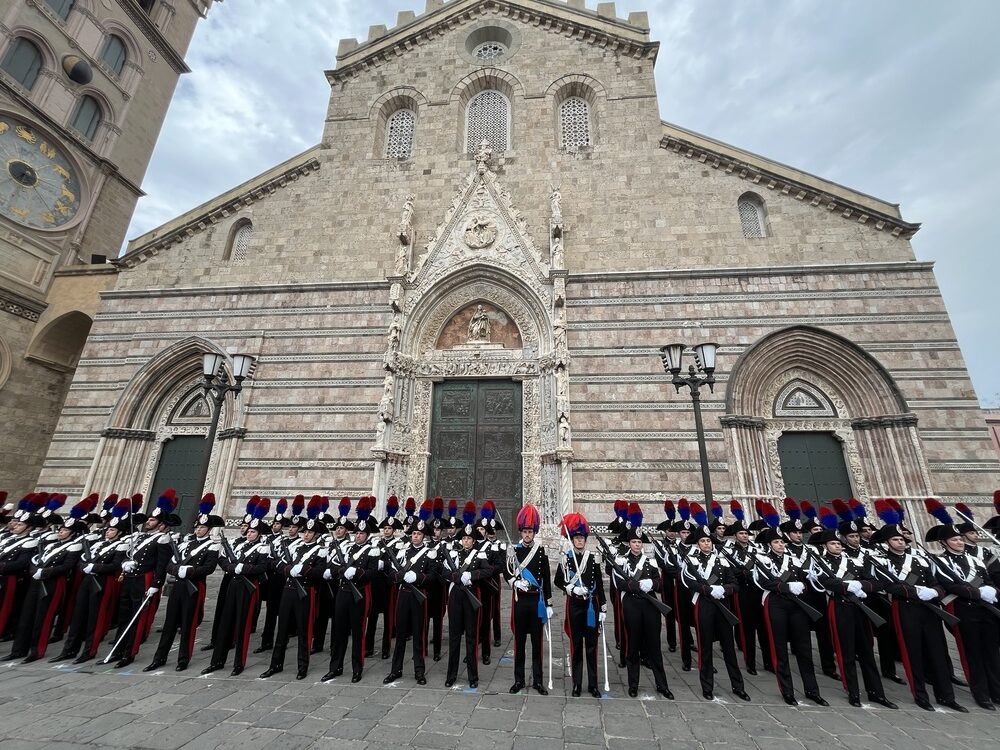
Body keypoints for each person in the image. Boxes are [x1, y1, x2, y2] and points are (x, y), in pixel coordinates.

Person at [870, 518, 967, 712]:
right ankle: (921, 695)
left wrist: (935, 592)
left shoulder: (920, 559)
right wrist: (914, 593)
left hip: (929, 609)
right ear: (887, 542)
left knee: (938, 651)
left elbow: (935, 581)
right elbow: (887, 585)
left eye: (902, 539)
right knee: (912, 652)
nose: (901, 542)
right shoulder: (881, 561)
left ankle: (946, 696)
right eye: (896, 539)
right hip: (906, 608)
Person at [807, 523, 896, 708]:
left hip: (860, 607)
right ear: (825, 546)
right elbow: (825, 581)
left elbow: (875, 581)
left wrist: (862, 587)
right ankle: (853, 691)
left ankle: (876, 693)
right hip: (840, 606)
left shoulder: (855, 562)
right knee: (846, 651)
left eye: (839, 543)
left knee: (866, 651)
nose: (837, 546)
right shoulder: (821, 563)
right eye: (833, 544)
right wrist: (847, 586)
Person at [752, 518, 827, 706]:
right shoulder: (762, 559)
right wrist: (786, 587)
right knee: (780, 649)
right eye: (777, 542)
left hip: (797, 605)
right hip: (776, 604)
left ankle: (812, 690)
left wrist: (803, 582)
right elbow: (763, 582)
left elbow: (805, 578)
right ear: (769, 544)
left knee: (804, 648)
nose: (780, 544)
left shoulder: (793, 559)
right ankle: (787, 690)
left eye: (782, 541)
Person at [143, 495, 222, 672]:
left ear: (208, 529)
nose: (199, 529)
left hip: (194, 587)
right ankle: (159, 657)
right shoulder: (186, 544)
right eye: (198, 526)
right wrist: (175, 570)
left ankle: (183, 658)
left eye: (202, 527)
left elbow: (209, 568)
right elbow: (169, 563)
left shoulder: (212, 545)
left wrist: (190, 571)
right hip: (178, 586)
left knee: (188, 624)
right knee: (170, 622)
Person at [930, 517, 1000, 710]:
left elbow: (988, 579)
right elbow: (949, 585)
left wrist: (992, 591)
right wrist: (977, 592)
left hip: (985, 609)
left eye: (960, 538)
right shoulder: (939, 562)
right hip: (963, 610)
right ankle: (981, 694)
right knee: (972, 654)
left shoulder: (974, 559)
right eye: (954, 540)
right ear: (943, 543)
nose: (959, 542)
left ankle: (996, 690)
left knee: (992, 652)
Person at [3, 502, 85, 662]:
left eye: (66, 530)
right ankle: (18, 649)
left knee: (43, 617)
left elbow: (67, 566)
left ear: (73, 533)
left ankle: (36, 650)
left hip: (52, 583)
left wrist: (46, 572)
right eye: (61, 529)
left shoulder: (73, 547)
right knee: (26, 616)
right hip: (36, 582)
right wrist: (35, 570)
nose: (61, 532)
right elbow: (35, 559)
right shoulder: (51, 545)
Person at [48, 501, 128, 664]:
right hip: (87, 581)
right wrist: (85, 566)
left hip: (103, 582)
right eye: (108, 528)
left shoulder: (121, 546)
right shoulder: (97, 543)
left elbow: (114, 566)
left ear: (119, 532)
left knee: (95, 617)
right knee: (78, 615)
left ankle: (89, 650)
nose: (108, 531)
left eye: (112, 529)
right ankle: (69, 649)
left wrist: (95, 567)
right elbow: (81, 560)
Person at [260, 498, 329, 680]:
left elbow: (321, 572)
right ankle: (276, 664)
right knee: (281, 628)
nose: (306, 535)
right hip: (288, 590)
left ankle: (302, 666)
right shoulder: (294, 547)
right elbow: (277, 563)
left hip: (305, 592)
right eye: (305, 531)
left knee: (303, 630)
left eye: (310, 532)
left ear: (316, 535)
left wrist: (304, 570)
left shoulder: (320, 550)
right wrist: (289, 569)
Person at [102, 492, 172, 669]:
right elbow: (125, 555)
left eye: (153, 521)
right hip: (130, 579)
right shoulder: (137, 537)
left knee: (136, 618)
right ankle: (117, 649)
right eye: (148, 519)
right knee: (123, 615)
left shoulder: (162, 539)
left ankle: (129, 653)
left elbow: (161, 565)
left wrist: (157, 584)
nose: (148, 522)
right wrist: (126, 563)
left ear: (161, 524)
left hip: (144, 580)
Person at [681, 522, 749, 702]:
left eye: (708, 541)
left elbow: (734, 583)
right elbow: (689, 582)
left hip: (723, 605)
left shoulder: (723, 561)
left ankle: (738, 686)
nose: (706, 544)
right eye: (702, 541)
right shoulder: (691, 560)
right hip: (704, 604)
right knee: (705, 647)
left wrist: (723, 589)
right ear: (698, 543)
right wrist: (708, 590)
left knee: (729, 648)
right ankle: (707, 686)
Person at [203, 505, 274, 676]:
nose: (249, 534)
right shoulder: (238, 546)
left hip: (248, 588)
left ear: (259, 534)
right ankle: (217, 660)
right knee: (225, 622)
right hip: (233, 585)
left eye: (252, 532)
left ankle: (238, 662)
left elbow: (262, 567)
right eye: (248, 531)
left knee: (243, 624)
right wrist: (231, 567)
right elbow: (223, 560)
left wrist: (244, 568)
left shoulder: (262, 548)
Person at [611, 503, 672, 699]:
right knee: (632, 645)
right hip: (631, 604)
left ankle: (662, 684)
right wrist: (636, 586)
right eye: (634, 542)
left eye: (639, 542)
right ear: (629, 543)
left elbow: (660, 583)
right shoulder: (621, 561)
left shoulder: (651, 561)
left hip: (650, 606)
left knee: (654, 645)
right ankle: (633, 684)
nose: (637, 545)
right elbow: (618, 583)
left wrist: (651, 584)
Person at [322, 499, 379, 683]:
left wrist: (357, 572)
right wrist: (342, 571)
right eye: (357, 533)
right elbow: (333, 565)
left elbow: (372, 573)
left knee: (357, 632)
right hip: (343, 592)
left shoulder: (372, 550)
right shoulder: (345, 548)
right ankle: (335, 667)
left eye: (362, 533)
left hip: (360, 593)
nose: (358, 536)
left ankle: (357, 668)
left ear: (367, 535)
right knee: (338, 630)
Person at [384, 501, 438, 685]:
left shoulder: (429, 553)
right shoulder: (402, 552)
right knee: (400, 634)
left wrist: (417, 577)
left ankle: (419, 670)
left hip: (419, 595)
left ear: (424, 536)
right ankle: (395, 669)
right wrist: (400, 576)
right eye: (414, 533)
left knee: (418, 634)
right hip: (404, 595)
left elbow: (432, 576)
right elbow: (391, 572)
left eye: (419, 534)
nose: (415, 536)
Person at [554, 512, 606, 698]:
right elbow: (558, 581)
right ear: (572, 540)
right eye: (576, 538)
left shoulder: (592, 559)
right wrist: (570, 588)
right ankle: (577, 683)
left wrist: (603, 608)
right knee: (576, 645)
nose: (579, 541)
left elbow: (599, 584)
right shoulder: (566, 558)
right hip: (575, 605)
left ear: (585, 540)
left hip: (591, 606)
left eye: (581, 538)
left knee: (592, 646)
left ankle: (593, 684)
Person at [504, 504, 553, 695]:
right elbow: (507, 571)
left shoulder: (541, 552)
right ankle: (519, 680)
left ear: (534, 533)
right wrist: (515, 583)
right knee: (520, 642)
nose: (527, 534)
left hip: (536, 602)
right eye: (525, 531)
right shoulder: (514, 551)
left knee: (537, 643)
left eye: (530, 531)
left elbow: (547, 579)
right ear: (521, 532)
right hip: (520, 601)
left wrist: (548, 603)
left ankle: (538, 681)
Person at [443, 510, 490, 689]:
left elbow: (488, 571)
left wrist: (471, 575)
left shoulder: (479, 555)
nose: (466, 541)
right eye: (464, 539)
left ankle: (472, 676)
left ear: (474, 540)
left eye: (469, 539)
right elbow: (444, 571)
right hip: (456, 596)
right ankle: (451, 675)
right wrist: (456, 577)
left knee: (471, 637)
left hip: (471, 596)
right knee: (454, 637)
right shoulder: (454, 554)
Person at [365, 495, 402, 659]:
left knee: (388, 617)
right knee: (371, 616)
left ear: (394, 531)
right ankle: (368, 647)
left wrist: (385, 565)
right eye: (385, 528)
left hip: (388, 583)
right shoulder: (376, 543)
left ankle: (386, 648)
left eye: (389, 529)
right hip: (375, 582)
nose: (386, 530)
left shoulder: (399, 544)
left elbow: (397, 563)